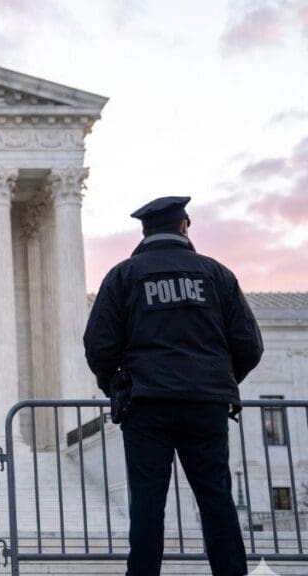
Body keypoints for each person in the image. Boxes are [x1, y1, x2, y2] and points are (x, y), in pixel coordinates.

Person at [84, 196, 263, 576]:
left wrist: (116, 387)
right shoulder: (216, 274)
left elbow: (99, 346)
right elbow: (249, 345)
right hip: (205, 406)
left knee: (147, 505)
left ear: (144, 231)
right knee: (217, 500)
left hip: (147, 405)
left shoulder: (123, 276)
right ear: (184, 226)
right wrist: (218, 381)